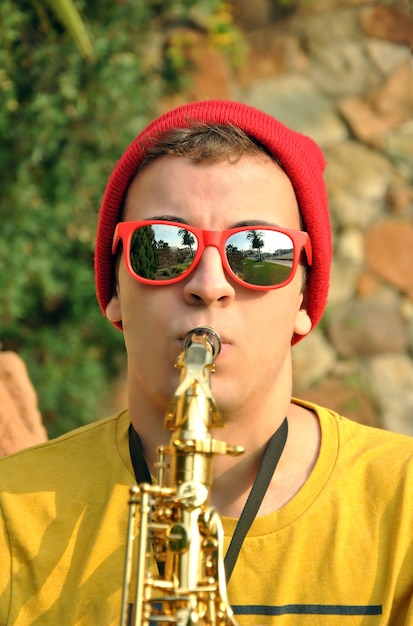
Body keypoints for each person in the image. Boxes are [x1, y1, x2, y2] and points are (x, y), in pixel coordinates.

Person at [0, 100, 412, 626]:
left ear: (306, 302)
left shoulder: (404, 503)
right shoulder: (10, 511)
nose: (209, 285)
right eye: (164, 246)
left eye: (257, 251)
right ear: (115, 292)